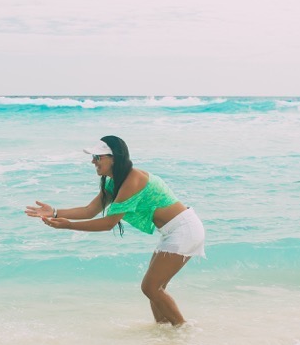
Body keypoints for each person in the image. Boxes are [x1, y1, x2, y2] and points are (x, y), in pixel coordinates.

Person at [26, 136, 205, 326]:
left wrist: (68, 225)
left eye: (98, 157)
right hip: (174, 231)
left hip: (184, 229)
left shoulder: (133, 180)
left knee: (151, 288)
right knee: (156, 288)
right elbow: (90, 210)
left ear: (113, 158)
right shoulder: (114, 181)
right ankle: (163, 330)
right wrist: (54, 212)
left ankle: (182, 329)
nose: (93, 161)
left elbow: (108, 223)